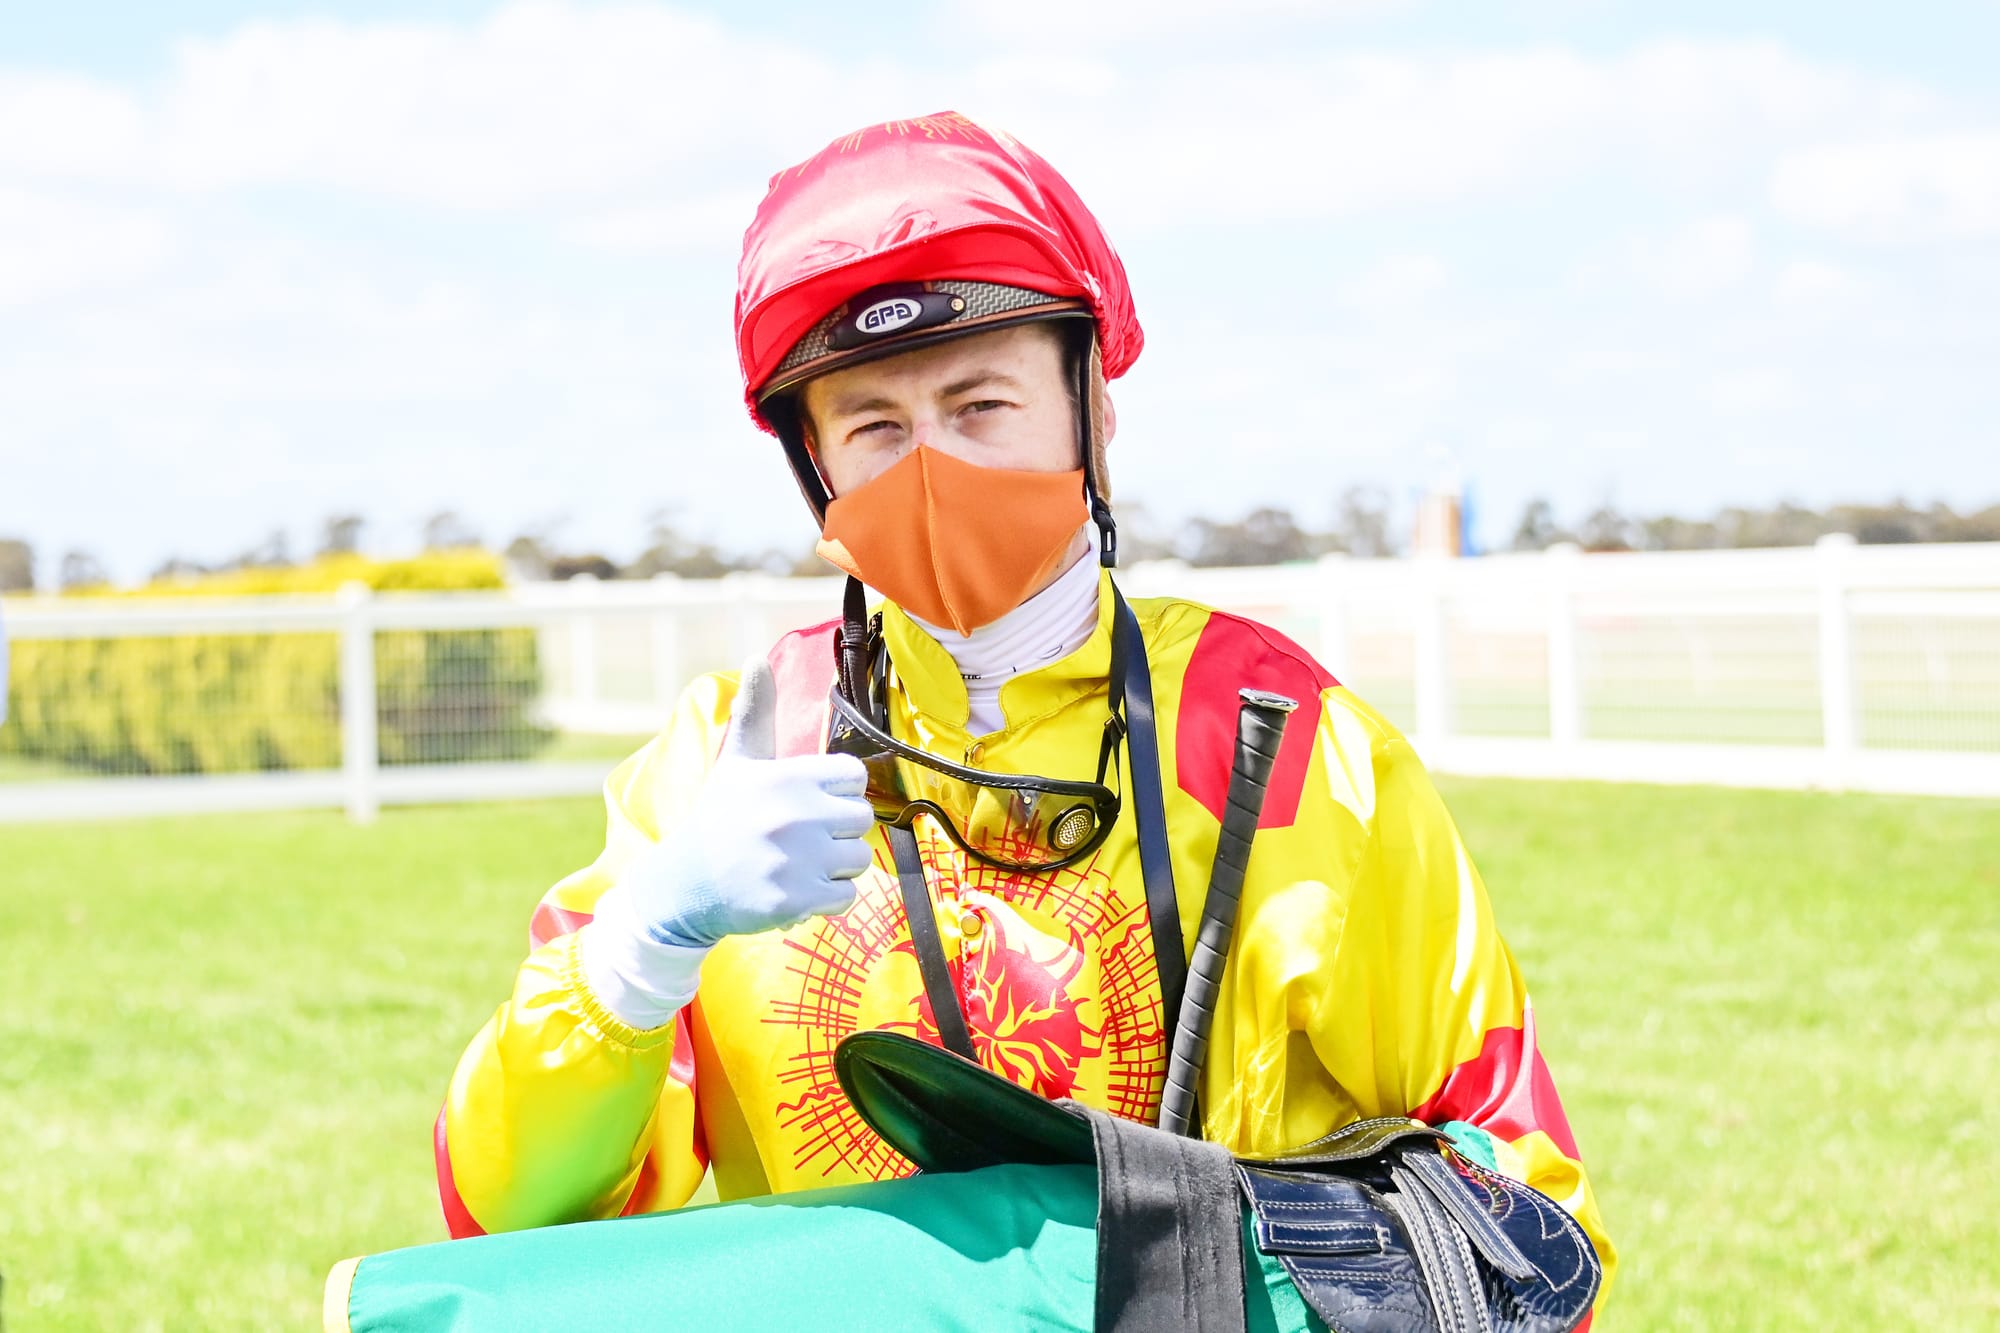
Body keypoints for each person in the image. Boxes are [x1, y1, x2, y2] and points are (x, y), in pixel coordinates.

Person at [437, 111, 1615, 1308]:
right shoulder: (718, 758)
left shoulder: (1295, 742)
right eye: (875, 428)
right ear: (818, 471)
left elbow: (1523, 1215)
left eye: (982, 404)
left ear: (1093, 408)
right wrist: (640, 948)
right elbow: (508, 1225)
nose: (932, 468)